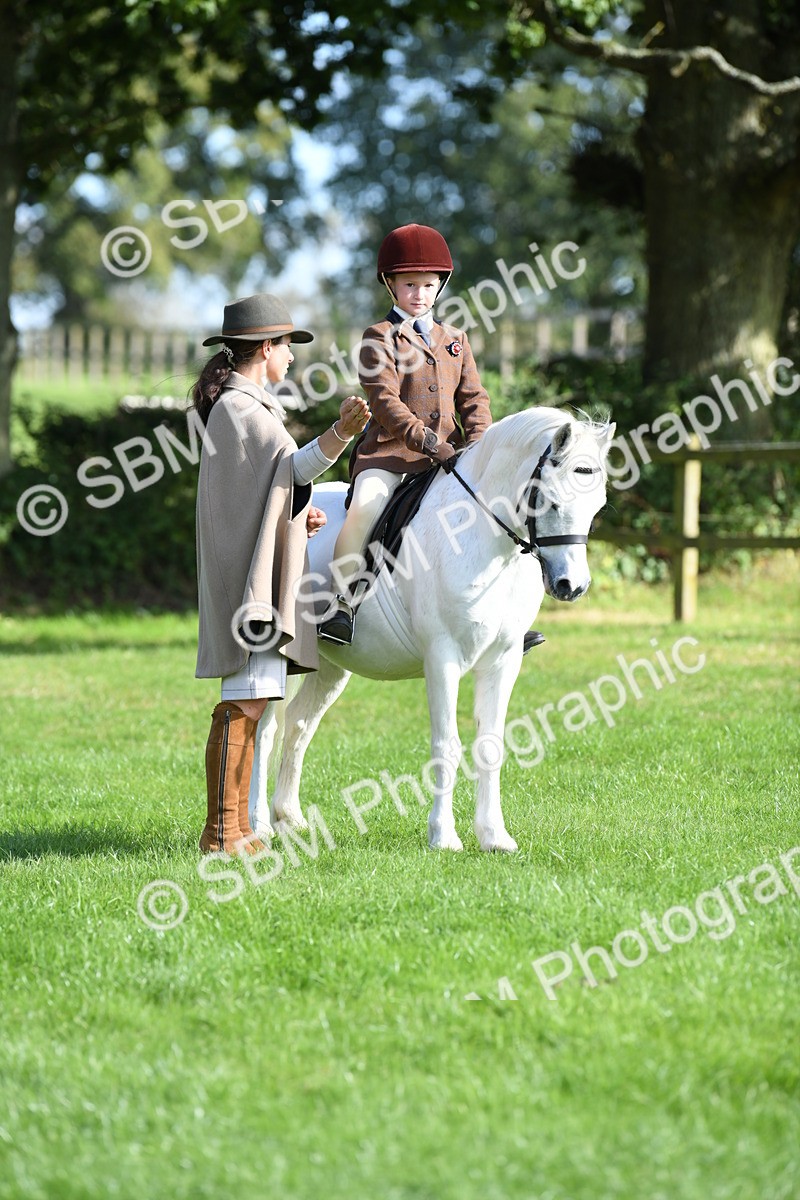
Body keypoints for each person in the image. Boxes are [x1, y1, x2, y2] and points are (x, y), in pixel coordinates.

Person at [192, 293, 369, 855]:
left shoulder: (247, 406)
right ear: (265, 347)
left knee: (255, 699)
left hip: (260, 573)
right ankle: (222, 832)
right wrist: (340, 433)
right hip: (250, 582)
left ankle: (237, 828)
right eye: (287, 346)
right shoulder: (240, 409)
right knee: (244, 701)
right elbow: (292, 469)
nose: (291, 356)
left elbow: (263, 493)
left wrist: (297, 516)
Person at [317, 222, 545, 654]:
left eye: (427, 284)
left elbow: (474, 399)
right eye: (409, 284)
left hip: (450, 456)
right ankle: (340, 604)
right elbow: (384, 401)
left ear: (440, 285)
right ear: (391, 284)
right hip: (389, 456)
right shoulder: (378, 337)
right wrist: (427, 441)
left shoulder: (455, 339)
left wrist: (481, 447)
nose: (419, 293)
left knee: (502, 510)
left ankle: (508, 619)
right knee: (365, 509)